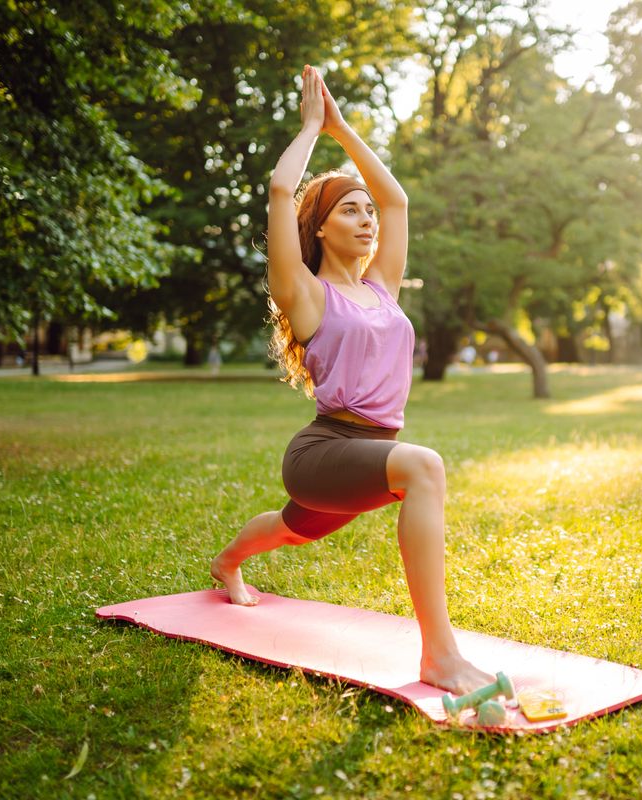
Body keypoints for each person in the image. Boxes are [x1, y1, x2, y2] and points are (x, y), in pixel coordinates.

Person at [209, 65, 495, 695]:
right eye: (350, 210)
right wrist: (311, 129)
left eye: (367, 212)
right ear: (320, 228)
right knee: (425, 467)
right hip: (325, 450)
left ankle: (226, 563)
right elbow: (281, 193)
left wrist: (344, 132)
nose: (369, 219)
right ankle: (440, 656)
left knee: (291, 528)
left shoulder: (381, 289)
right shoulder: (306, 295)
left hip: (360, 454)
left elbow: (398, 201)